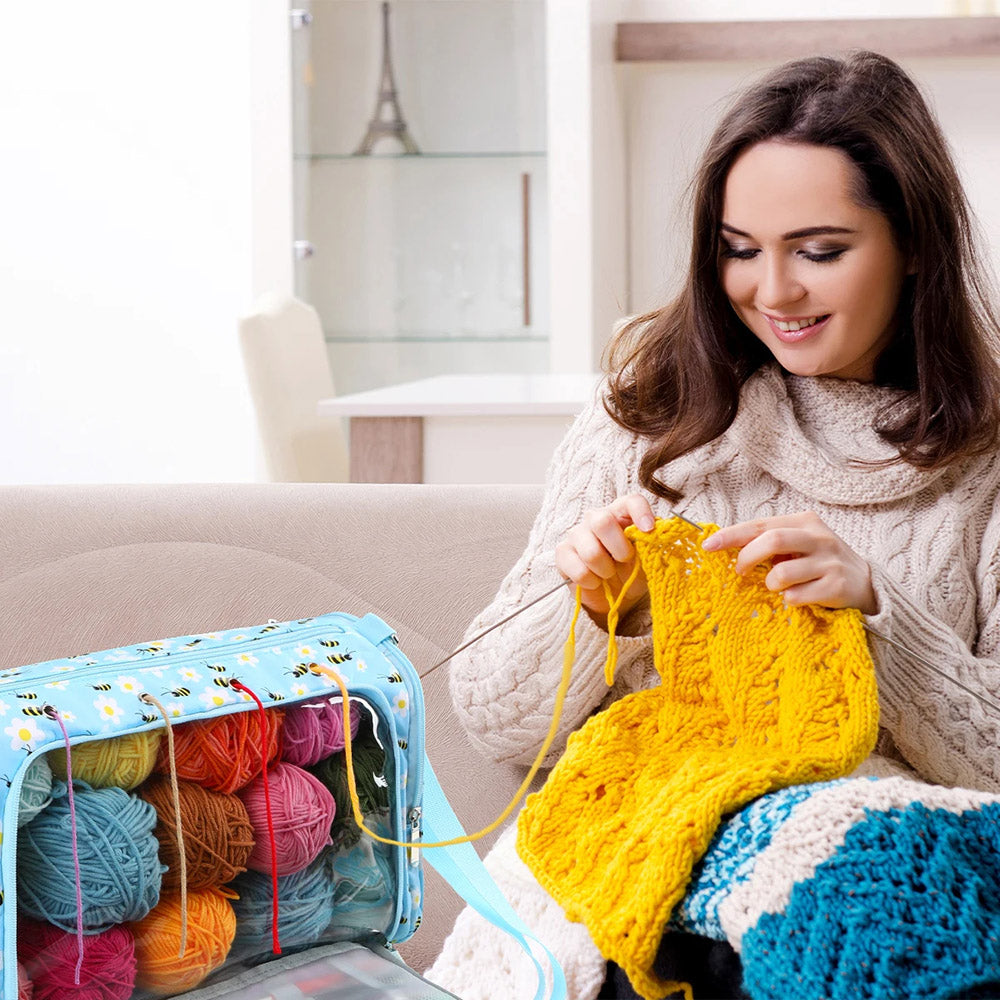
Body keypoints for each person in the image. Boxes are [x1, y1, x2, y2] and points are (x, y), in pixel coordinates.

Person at [427, 50, 1000, 1000]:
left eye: (819, 251)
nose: (772, 292)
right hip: (648, 862)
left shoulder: (983, 460)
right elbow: (492, 717)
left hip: (880, 873)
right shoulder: (646, 411)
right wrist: (598, 613)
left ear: (914, 244)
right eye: (740, 249)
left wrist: (877, 622)